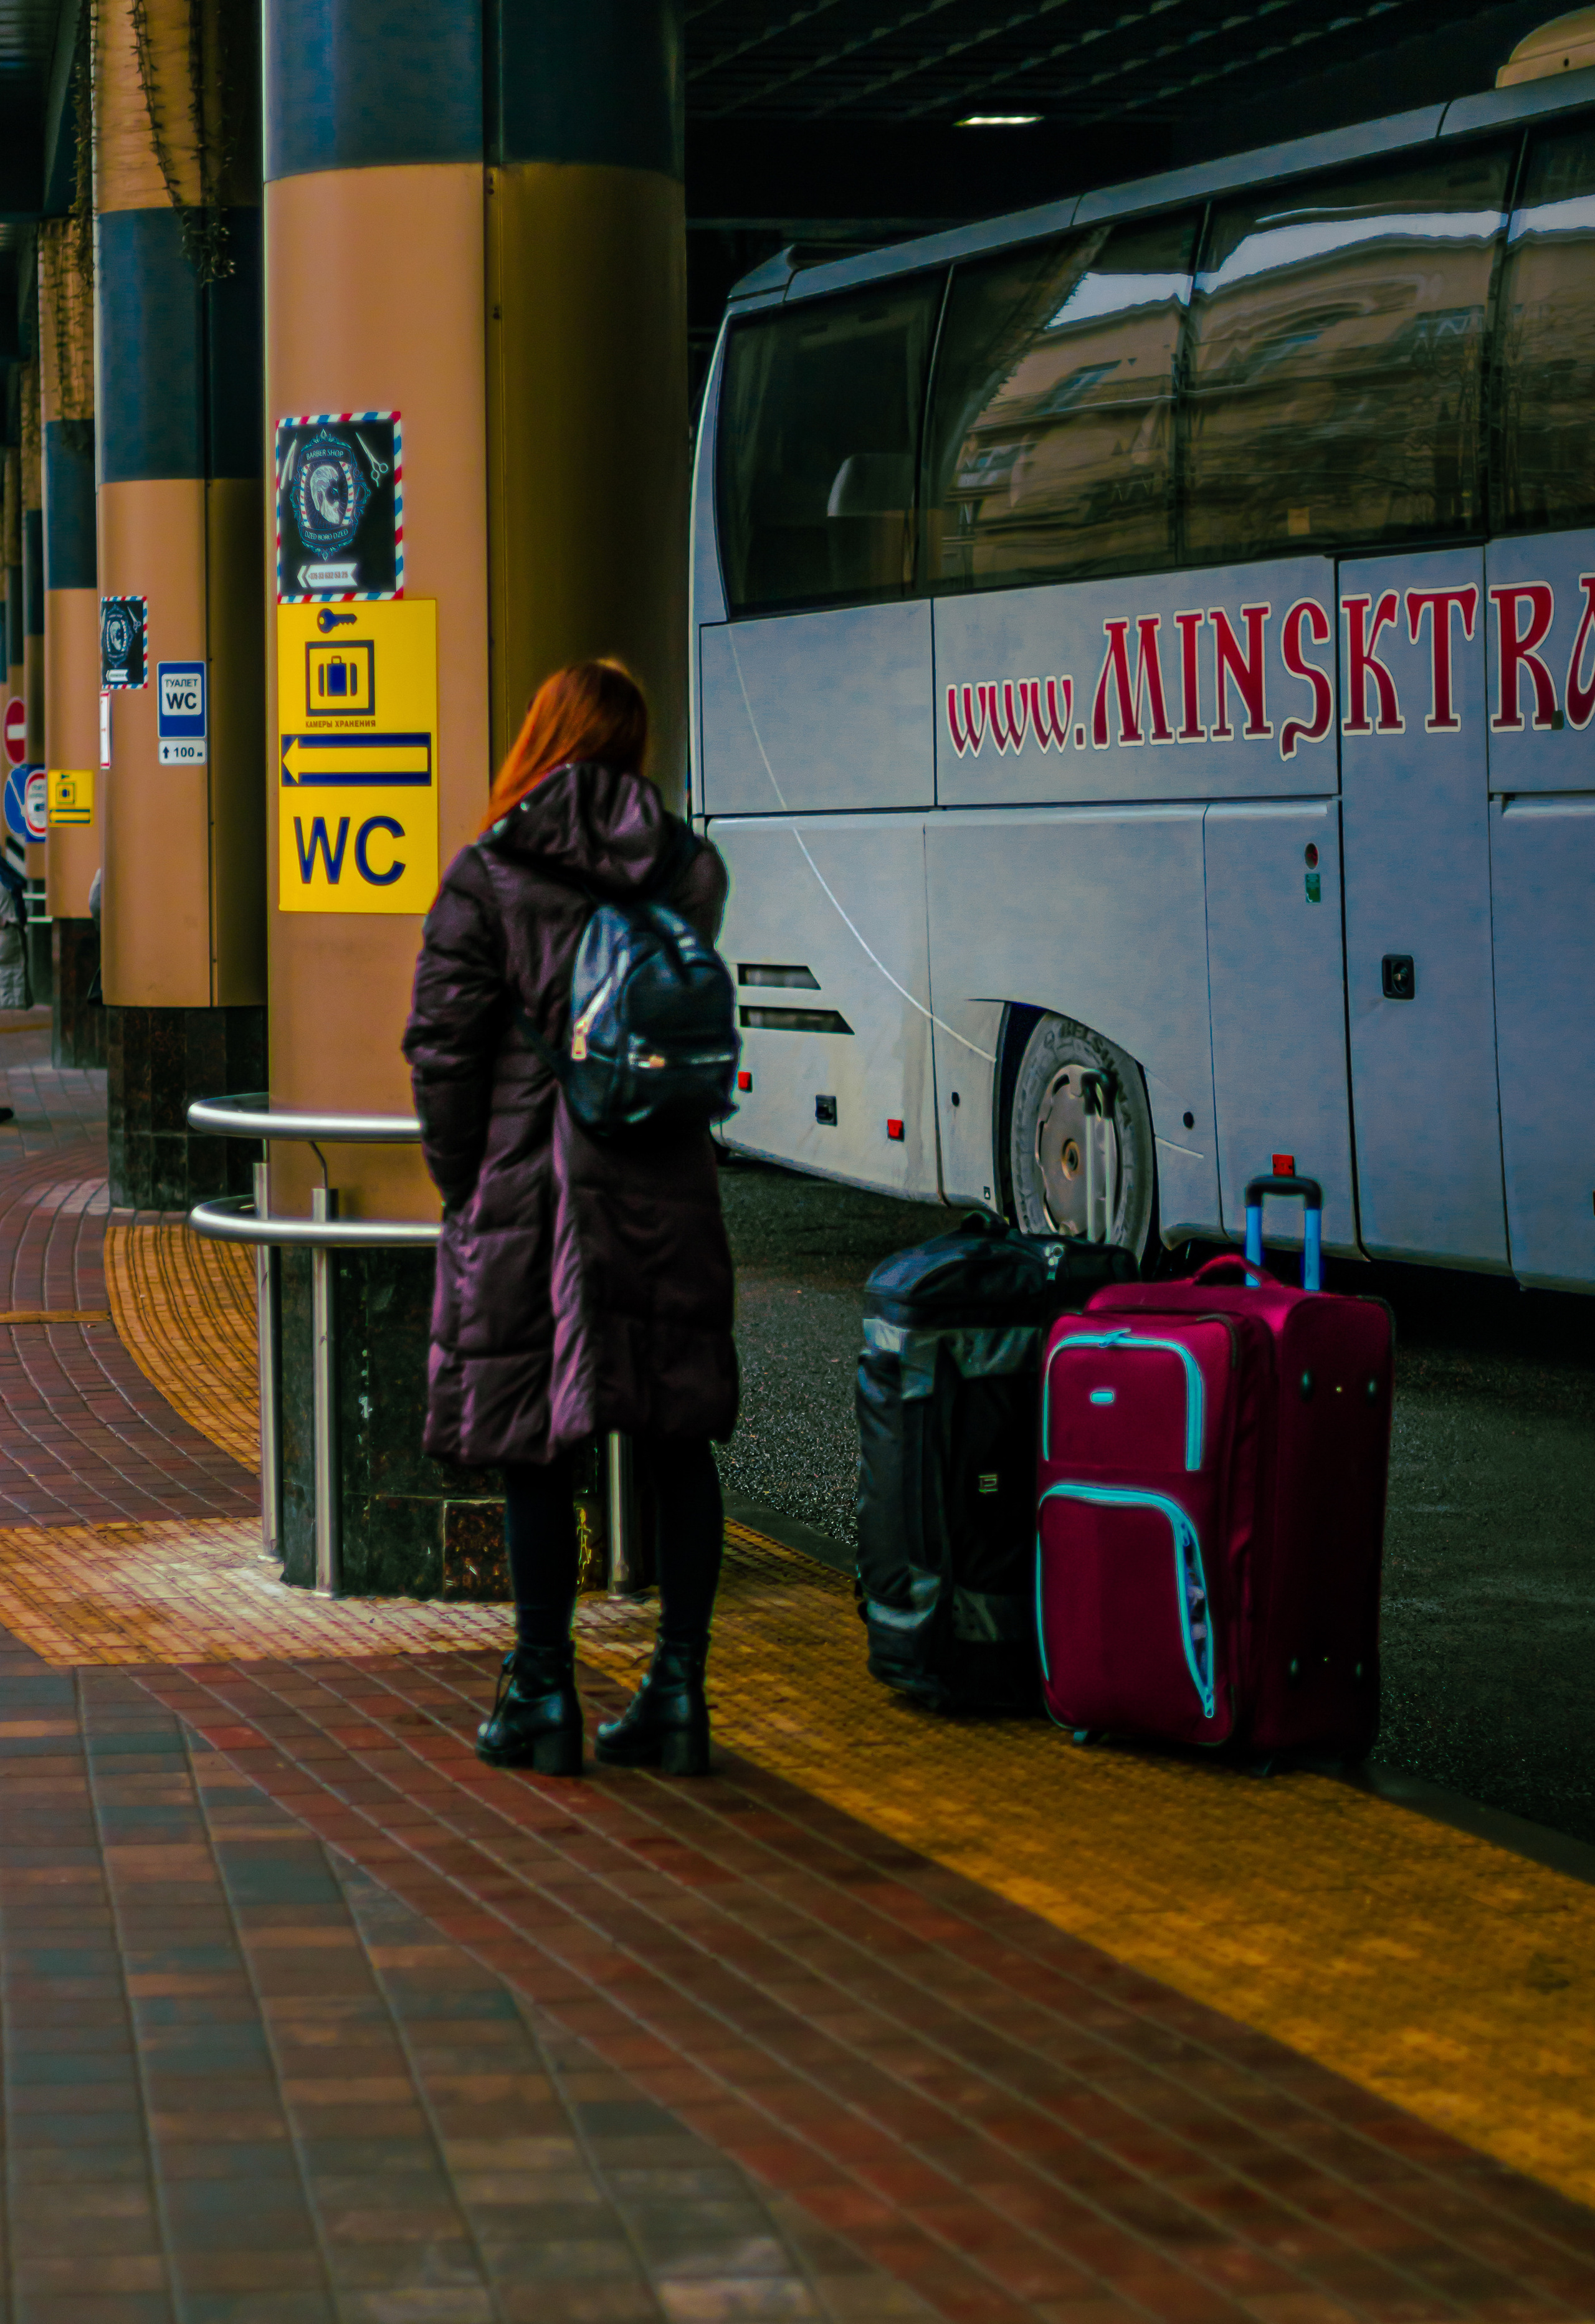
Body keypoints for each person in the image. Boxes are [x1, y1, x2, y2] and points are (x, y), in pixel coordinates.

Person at [403, 660, 738, 1778]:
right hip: (665, 1185)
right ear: (634, 745)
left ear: (540, 738)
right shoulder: (687, 870)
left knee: (532, 1447)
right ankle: (678, 1693)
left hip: (528, 1191)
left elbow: (443, 1054)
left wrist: (467, 1187)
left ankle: (541, 1688)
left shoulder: (488, 877)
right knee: (678, 1437)